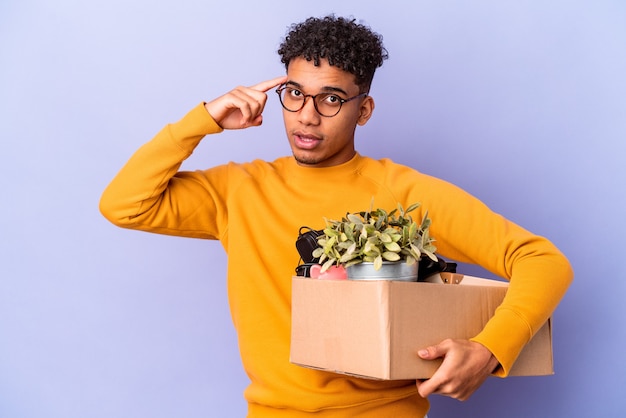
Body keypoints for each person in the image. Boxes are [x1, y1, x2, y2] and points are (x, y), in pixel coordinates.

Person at [100, 15, 573, 417]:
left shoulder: (405, 195)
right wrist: (201, 120)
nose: (307, 116)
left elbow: (541, 259)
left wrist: (490, 349)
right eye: (293, 94)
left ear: (363, 109)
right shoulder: (238, 190)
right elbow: (123, 204)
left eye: (330, 99)